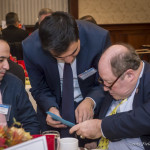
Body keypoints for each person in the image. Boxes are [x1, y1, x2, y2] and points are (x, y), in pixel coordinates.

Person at [22, 11, 111, 144]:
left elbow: (107, 81)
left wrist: (90, 101)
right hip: (53, 112)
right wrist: (51, 107)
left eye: (74, 52)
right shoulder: (31, 48)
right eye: (60, 57)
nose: (69, 60)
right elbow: (39, 88)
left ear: (78, 36)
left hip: (92, 114)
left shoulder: (99, 38)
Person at [70, 43, 150, 150]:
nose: (105, 89)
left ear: (129, 75)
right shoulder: (115, 85)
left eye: (108, 82)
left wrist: (100, 127)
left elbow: (143, 118)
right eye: (102, 81)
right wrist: (97, 142)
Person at [0, 39, 40, 135]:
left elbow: (30, 123)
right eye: (1, 60)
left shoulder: (14, 84)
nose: (7, 66)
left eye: (7, 60)